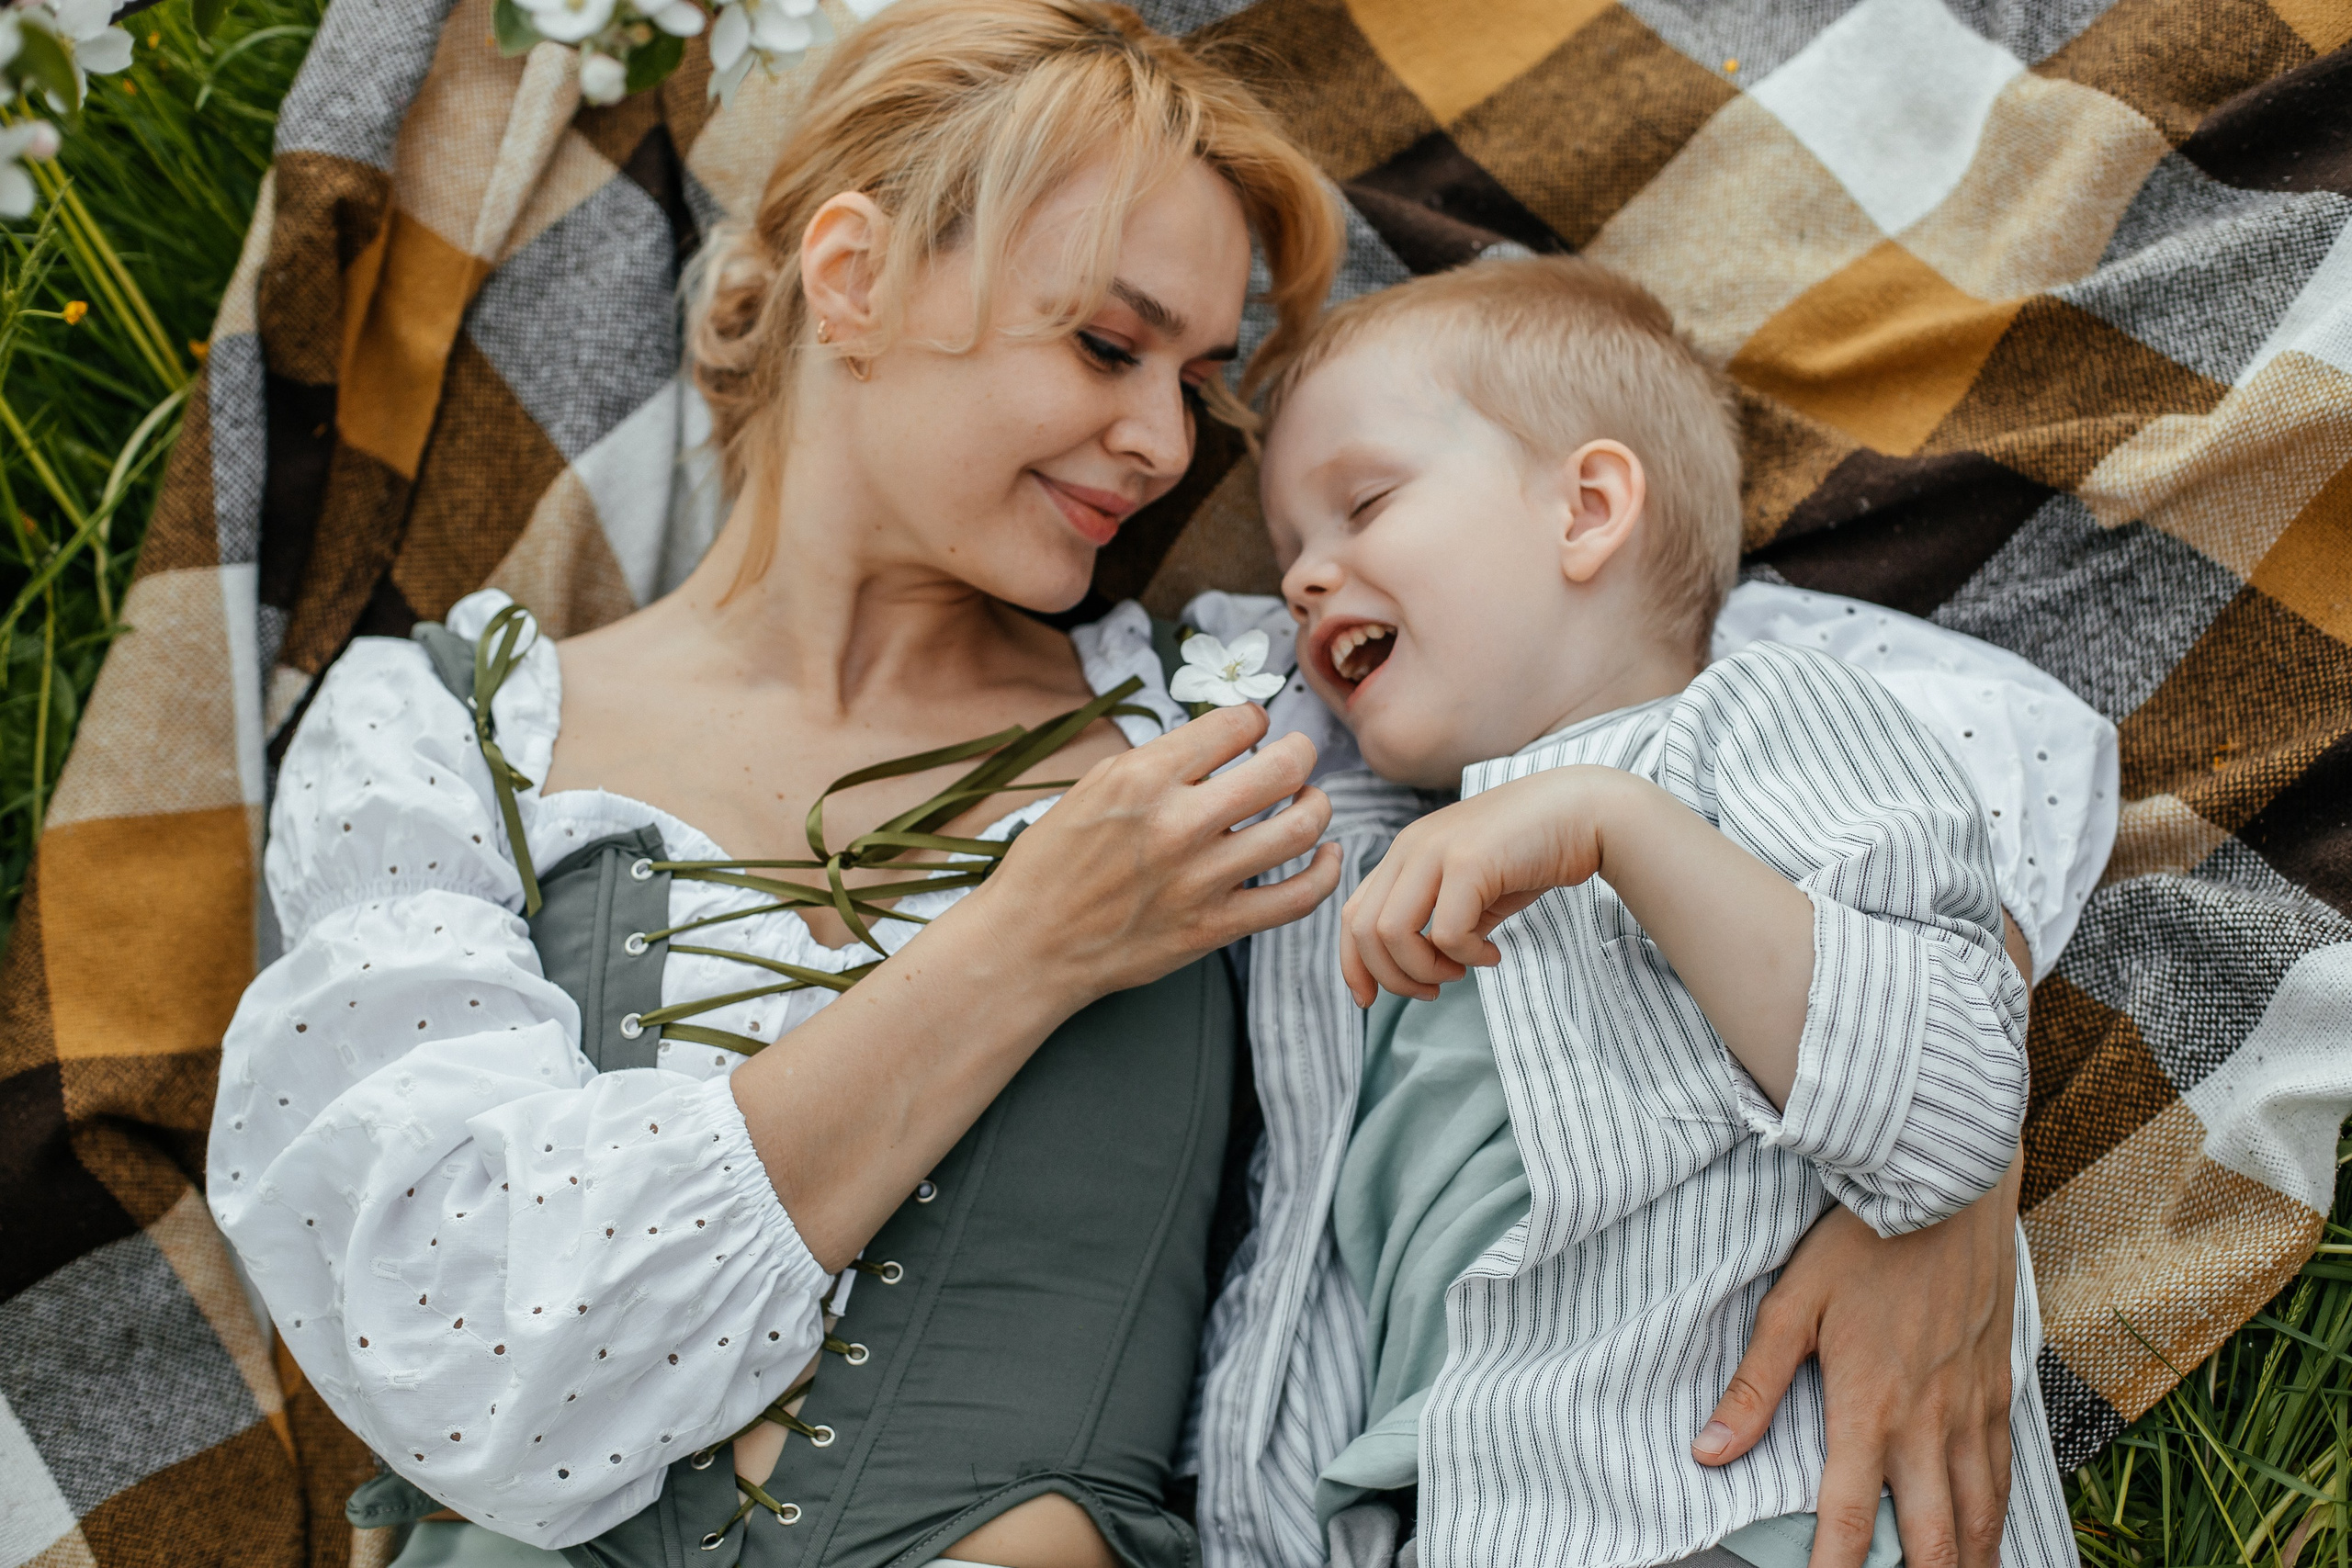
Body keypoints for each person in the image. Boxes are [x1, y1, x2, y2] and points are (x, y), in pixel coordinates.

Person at [206, 6, 2094, 1568]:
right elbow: (460, 1341)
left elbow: (1946, 731)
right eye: (1108, 343)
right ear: (851, 278)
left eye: (1199, 380)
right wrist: (1021, 942)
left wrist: (1934, 1195)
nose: (1161, 441)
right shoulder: (440, 734)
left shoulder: (1246, 709)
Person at [1186, 255, 2102, 1568]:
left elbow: (1957, 1100)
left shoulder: (1772, 727)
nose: (1301, 584)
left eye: (1365, 505)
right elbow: (1299, 1285)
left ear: (1589, 509)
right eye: (1288, 556)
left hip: (1765, 1503)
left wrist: (1616, 824)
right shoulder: (1339, 884)